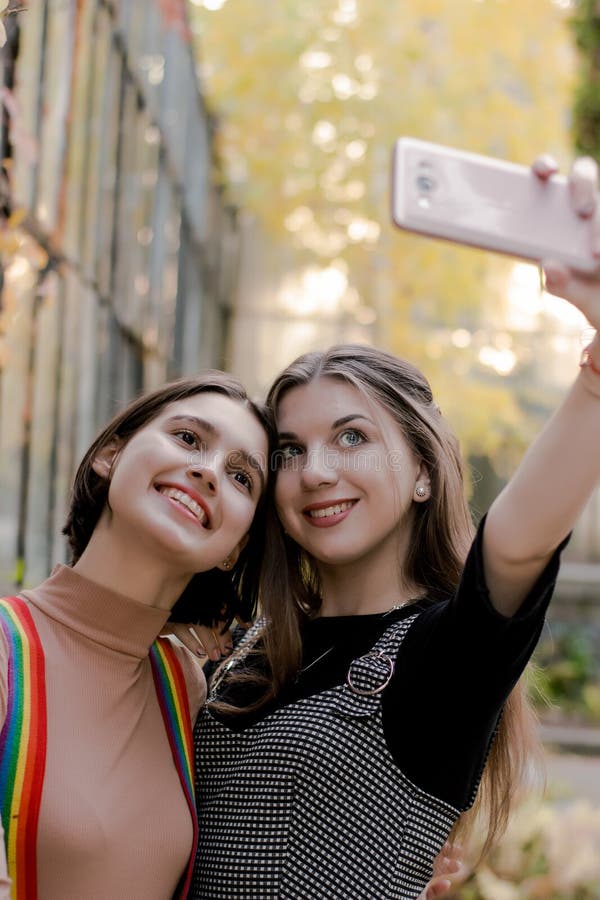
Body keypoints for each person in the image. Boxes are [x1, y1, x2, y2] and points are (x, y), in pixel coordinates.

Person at [179, 155, 600, 899]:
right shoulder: (247, 643)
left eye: (352, 438)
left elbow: (520, 537)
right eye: (290, 450)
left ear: (423, 473)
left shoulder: (447, 659)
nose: (315, 472)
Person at [0, 372, 274, 900]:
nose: (209, 471)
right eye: (189, 438)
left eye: (243, 478)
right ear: (110, 454)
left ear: (233, 549)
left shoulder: (182, 686)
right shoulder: (7, 652)